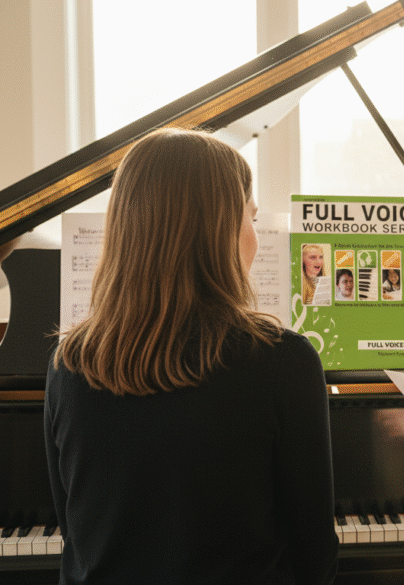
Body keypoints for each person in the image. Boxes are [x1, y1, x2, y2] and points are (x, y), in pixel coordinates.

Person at [45, 128, 339, 585]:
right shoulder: (284, 359)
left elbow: (73, 530)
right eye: (250, 219)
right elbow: (314, 553)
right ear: (220, 231)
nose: (256, 238)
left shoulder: (69, 362)